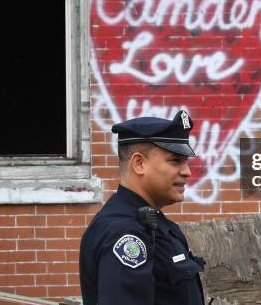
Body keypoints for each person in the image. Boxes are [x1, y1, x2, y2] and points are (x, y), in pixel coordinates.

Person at [79, 110, 206, 305]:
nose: (187, 171)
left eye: (186, 162)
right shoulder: (124, 233)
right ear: (139, 164)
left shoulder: (157, 224)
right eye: (175, 161)